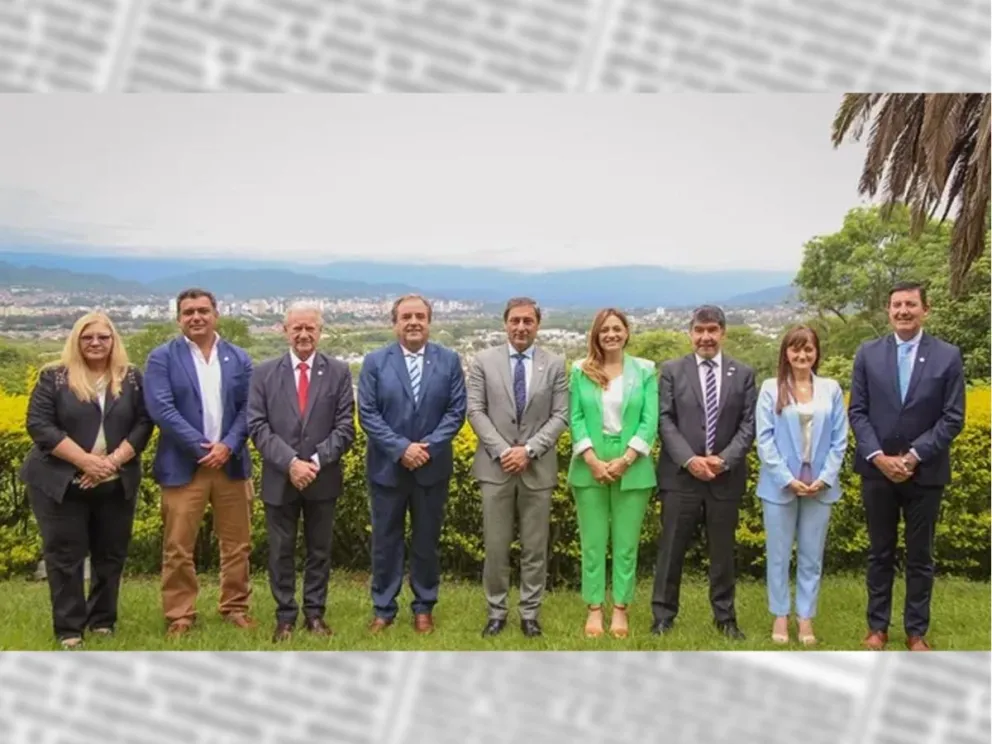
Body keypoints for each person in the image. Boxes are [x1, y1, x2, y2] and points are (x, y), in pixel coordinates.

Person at [21, 311, 153, 648]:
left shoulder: (131, 378)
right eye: (87, 337)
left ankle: (102, 621)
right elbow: (40, 426)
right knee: (66, 555)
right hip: (60, 481)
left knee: (110, 554)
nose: (95, 343)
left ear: (114, 341)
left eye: (103, 337)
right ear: (76, 340)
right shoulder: (54, 377)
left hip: (115, 479)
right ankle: (69, 629)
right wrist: (86, 463)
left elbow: (143, 423)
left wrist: (109, 464)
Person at [849, 281, 965, 651]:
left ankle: (916, 631)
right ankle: (877, 628)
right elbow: (858, 412)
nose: (903, 311)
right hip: (877, 472)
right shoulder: (868, 354)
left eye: (910, 305)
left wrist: (914, 455)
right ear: (888, 310)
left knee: (920, 556)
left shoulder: (947, 356)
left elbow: (952, 417)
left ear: (925, 310)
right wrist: (879, 457)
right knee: (879, 552)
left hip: (925, 472)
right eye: (897, 305)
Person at [143, 288, 256, 638]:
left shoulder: (238, 358)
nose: (196, 317)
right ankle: (180, 613)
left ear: (216, 314)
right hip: (184, 467)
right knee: (178, 546)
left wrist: (228, 446)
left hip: (230, 465)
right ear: (179, 318)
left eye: (203, 311)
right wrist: (201, 446)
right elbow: (161, 409)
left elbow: (249, 409)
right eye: (188, 312)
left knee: (237, 544)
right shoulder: (162, 358)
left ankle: (234, 606)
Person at [357, 294, 467, 634]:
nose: (414, 322)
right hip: (387, 469)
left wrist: (428, 448)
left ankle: (424, 607)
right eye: (406, 316)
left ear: (430, 321)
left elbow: (455, 411)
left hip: (431, 470)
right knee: (385, 542)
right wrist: (402, 448)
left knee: (426, 541)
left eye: (420, 316)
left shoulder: (449, 361)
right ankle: (384, 608)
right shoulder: (375, 362)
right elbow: (369, 414)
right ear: (395, 323)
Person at [247, 302, 355, 642]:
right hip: (281, 478)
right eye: (297, 328)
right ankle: (284, 617)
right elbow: (257, 425)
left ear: (320, 331)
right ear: (285, 331)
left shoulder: (338, 372)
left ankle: (315, 614)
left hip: (322, 478)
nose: (304, 334)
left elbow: (344, 427)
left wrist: (316, 462)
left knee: (319, 550)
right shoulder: (263, 373)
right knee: (280, 551)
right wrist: (291, 462)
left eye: (310, 328)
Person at [650, 305, 756, 639]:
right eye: (699, 330)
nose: (706, 337)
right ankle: (663, 616)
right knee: (671, 550)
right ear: (690, 333)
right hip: (680, 476)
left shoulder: (743, 373)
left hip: (724, 477)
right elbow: (664, 419)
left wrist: (723, 460)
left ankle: (725, 617)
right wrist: (690, 460)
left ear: (723, 333)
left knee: (723, 552)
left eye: (712, 330)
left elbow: (748, 424)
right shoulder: (671, 371)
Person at [466, 297, 568, 638]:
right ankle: (496, 611)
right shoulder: (483, 361)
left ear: (537, 324)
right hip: (495, 469)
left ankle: (529, 613)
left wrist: (529, 450)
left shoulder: (554, 363)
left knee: (534, 547)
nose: (521, 327)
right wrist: (503, 451)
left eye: (528, 321)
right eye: (515, 321)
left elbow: (561, 415)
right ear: (505, 323)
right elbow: (476, 410)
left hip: (536, 469)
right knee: (495, 546)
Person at [566, 308, 658, 639]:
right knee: (592, 543)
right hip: (589, 464)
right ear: (596, 334)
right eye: (604, 329)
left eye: (617, 329)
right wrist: (591, 459)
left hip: (631, 466)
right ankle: (594, 608)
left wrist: (627, 458)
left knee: (625, 544)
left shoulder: (645, 371)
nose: (611, 334)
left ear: (627, 332)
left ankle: (620, 608)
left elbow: (650, 420)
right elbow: (575, 417)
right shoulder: (580, 370)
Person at [755, 325, 848, 646]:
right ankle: (780, 615)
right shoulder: (771, 388)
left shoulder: (831, 389)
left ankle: (805, 617)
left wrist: (824, 478)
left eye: (808, 349)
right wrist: (787, 479)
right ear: (786, 353)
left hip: (820, 486)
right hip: (780, 487)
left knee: (811, 556)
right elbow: (764, 441)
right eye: (796, 349)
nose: (802, 355)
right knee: (778, 555)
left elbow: (840, 439)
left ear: (816, 352)